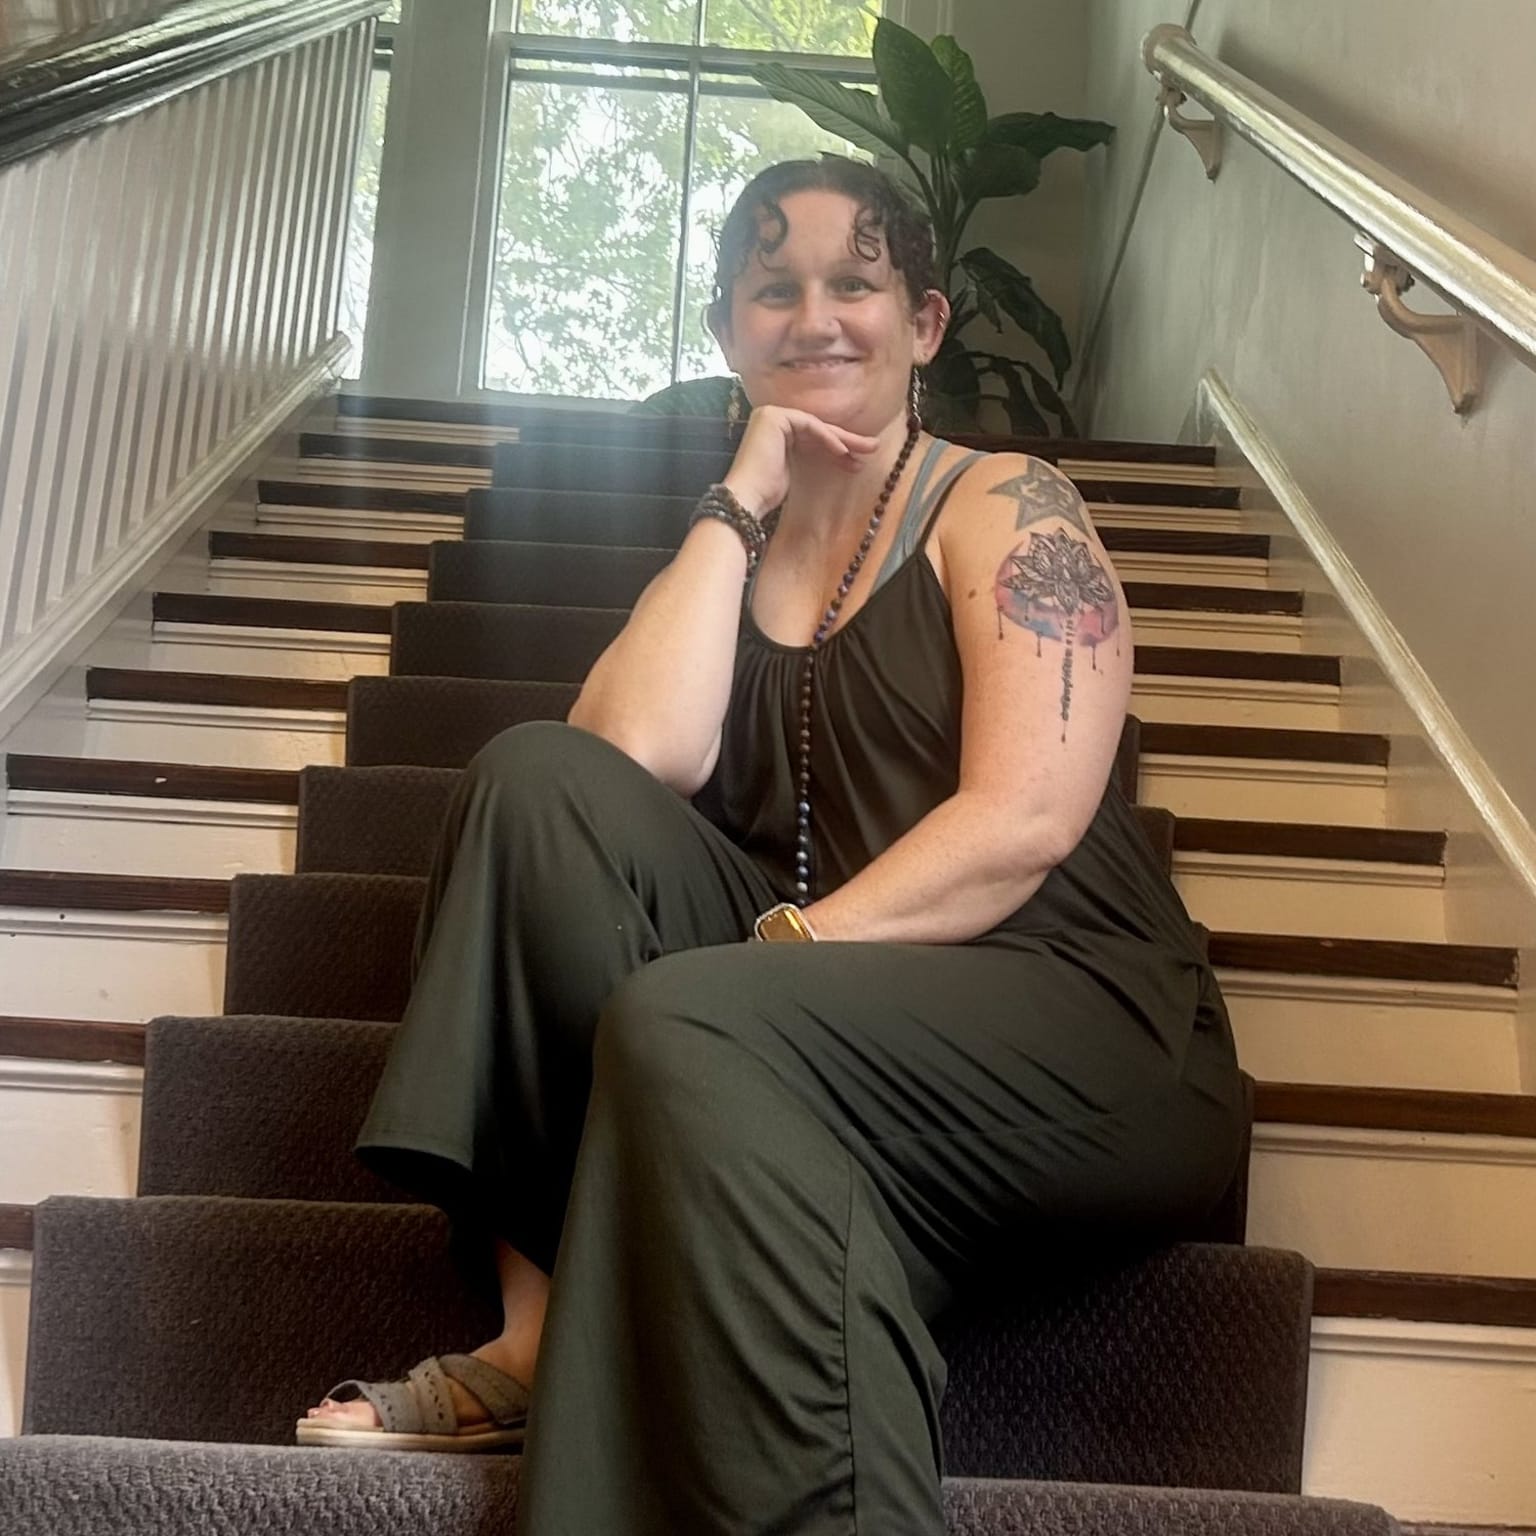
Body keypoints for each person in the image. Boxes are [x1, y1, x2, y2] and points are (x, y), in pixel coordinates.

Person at [296, 156, 1249, 1535]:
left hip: (1081, 1017)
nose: (815, 318)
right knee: (532, 784)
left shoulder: (1006, 502)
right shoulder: (730, 550)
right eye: (773, 290)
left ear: (924, 322)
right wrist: (743, 494)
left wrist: (778, 955)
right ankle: (543, 1332)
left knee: (699, 1023)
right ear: (726, 331)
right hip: (804, 1021)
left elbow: (1027, 821)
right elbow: (621, 761)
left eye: (855, 283)